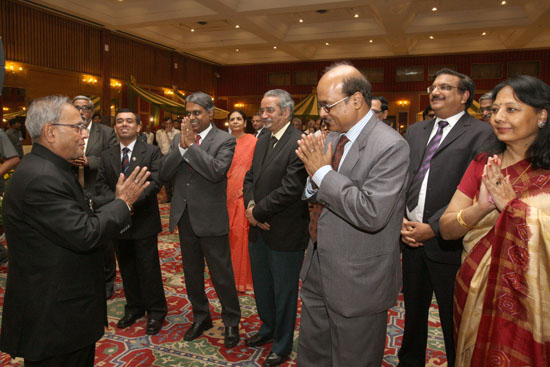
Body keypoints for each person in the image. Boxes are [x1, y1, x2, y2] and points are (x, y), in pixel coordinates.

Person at [0, 95, 150, 367]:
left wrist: (114, 201)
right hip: (55, 315)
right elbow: (85, 233)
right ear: (50, 131)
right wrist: (123, 203)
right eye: (77, 127)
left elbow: (78, 208)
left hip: (63, 308)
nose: (84, 135)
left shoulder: (50, 168)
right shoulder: (42, 176)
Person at [295, 62, 409, 366]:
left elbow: (371, 212)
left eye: (326, 105)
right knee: (313, 353)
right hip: (318, 265)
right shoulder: (332, 138)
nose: (321, 114)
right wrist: (313, 178)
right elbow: (318, 190)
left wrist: (320, 172)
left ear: (356, 100)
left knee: (353, 358)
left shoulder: (391, 146)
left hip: (359, 278)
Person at [439, 75, 550, 366]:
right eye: (495, 109)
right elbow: (447, 229)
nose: (498, 118)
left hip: (536, 302)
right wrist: (485, 207)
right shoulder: (485, 163)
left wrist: (512, 208)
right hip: (477, 289)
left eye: (511, 109)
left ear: (541, 115)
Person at [398, 68, 495, 367]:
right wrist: (400, 218)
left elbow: (475, 189)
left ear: (465, 96)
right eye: (433, 87)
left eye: (445, 88)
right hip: (409, 237)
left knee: (452, 315)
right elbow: (404, 177)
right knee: (412, 312)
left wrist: (434, 227)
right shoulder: (416, 130)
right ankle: (409, 361)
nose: (435, 92)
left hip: (450, 244)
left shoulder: (482, 133)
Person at [159, 91, 241, 348]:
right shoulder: (179, 140)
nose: (192, 118)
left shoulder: (224, 140)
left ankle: (231, 321)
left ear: (210, 113)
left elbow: (216, 172)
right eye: (188, 113)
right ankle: (201, 316)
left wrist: (191, 147)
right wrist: (181, 147)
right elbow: (163, 172)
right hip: (185, 217)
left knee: (221, 274)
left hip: (211, 218)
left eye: (197, 113)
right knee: (192, 273)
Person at [243, 89, 309, 367]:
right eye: (262, 110)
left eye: (270, 110)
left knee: (284, 292)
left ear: (286, 112)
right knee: (263, 286)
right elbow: (250, 178)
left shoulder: (299, 142)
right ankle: (267, 328)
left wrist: (256, 212)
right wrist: (250, 208)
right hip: (258, 228)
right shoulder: (262, 139)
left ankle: (282, 345)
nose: (263, 116)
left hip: (285, 232)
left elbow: (291, 189)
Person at [95, 109, 167, 336]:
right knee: (126, 267)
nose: (124, 124)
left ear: (138, 127)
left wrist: (129, 202)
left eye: (129, 121)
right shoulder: (106, 155)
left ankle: (156, 311)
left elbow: (155, 183)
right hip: (118, 222)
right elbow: (101, 188)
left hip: (143, 219)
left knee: (148, 268)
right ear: (115, 127)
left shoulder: (152, 152)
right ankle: (134, 307)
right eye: (119, 121)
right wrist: (119, 204)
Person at [72, 95, 119, 300]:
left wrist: (89, 161)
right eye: (77, 108)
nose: (81, 111)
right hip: (71, 192)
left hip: (97, 192)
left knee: (103, 240)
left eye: (85, 108)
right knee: (77, 236)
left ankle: (108, 281)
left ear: (91, 111)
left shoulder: (106, 133)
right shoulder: (66, 130)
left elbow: (113, 161)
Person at [226, 110, 257, 292]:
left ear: (245, 123)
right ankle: (228, 276)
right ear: (228, 123)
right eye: (232, 119)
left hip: (243, 194)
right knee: (228, 236)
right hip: (225, 193)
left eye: (239, 119)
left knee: (241, 236)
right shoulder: (224, 142)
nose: (236, 121)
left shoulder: (254, 142)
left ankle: (243, 279)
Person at [156, 117, 177, 203]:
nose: (168, 125)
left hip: (173, 158)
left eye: (169, 124)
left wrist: (168, 134)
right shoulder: (160, 133)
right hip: (163, 157)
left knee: (174, 180)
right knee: (166, 180)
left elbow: (173, 144)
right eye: (166, 124)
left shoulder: (177, 132)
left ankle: (176, 198)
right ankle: (169, 198)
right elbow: (160, 145)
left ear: (172, 124)